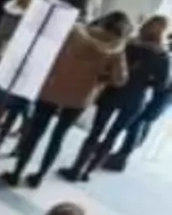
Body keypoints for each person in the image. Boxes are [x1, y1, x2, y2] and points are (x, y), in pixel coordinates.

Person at [7, 11, 133, 188]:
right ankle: (39, 176)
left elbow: (51, 53)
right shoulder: (116, 47)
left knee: (35, 132)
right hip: (80, 97)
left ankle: (16, 172)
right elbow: (120, 79)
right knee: (59, 136)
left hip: (52, 87)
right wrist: (102, 76)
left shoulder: (75, 32)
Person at [65, 14, 172, 181]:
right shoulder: (162, 56)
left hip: (113, 91)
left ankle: (76, 168)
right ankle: (88, 172)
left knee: (96, 131)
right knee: (112, 135)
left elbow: (109, 64)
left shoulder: (128, 44)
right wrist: (147, 80)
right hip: (135, 99)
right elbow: (161, 85)